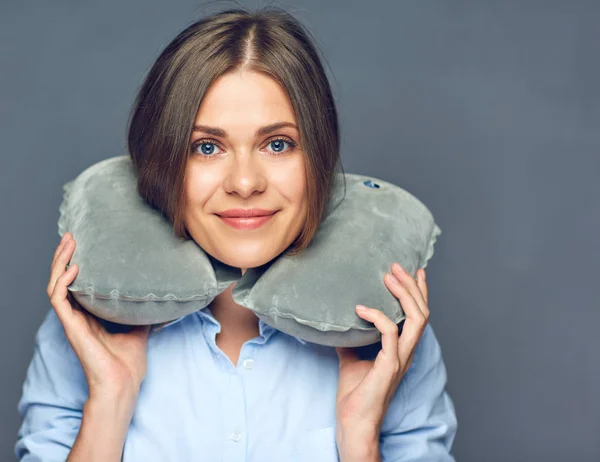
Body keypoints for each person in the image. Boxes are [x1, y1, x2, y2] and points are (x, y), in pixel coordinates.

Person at [15, 6, 457, 462]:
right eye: (206, 147)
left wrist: (360, 434)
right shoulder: (88, 321)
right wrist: (109, 400)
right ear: (163, 164)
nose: (245, 183)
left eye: (278, 144)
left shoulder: (385, 331)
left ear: (318, 158)